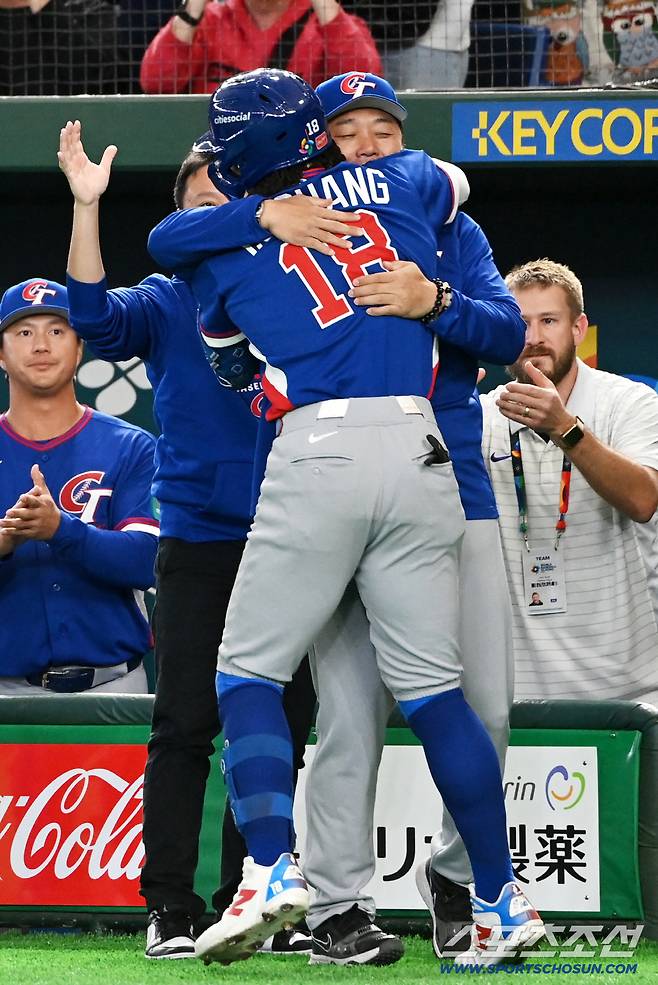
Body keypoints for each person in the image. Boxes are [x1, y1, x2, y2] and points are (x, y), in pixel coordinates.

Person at [149, 66, 543, 969]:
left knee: (246, 668)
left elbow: (222, 346)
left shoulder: (213, 246)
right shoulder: (409, 183)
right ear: (316, 132)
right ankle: (500, 902)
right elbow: (451, 182)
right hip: (421, 452)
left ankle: (273, 868)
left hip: (320, 448)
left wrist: (259, 224)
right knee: (437, 694)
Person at [58, 121, 359, 959]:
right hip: (200, 538)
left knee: (284, 719)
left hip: (300, 528)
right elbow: (89, 314)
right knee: (186, 721)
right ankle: (171, 905)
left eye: (225, 199)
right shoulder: (165, 295)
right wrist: (88, 208)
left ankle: (246, 898)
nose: (213, 213)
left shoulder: (299, 285)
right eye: (198, 204)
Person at [482, 258, 658, 704]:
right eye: (519, 323)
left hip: (627, 691)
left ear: (579, 329)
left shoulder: (629, 402)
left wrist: (566, 429)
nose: (534, 337)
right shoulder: (480, 415)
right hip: (512, 694)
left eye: (549, 321)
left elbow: (643, 499)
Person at [0, 278, 158, 694]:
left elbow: (149, 562)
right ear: (1, 354)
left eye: (56, 331)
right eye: (23, 332)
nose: (40, 346)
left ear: (80, 348)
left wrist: (60, 531)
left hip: (114, 687)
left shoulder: (131, 446)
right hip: (6, 693)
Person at [139, 0, 381, 94]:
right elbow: (156, 83)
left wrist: (326, 7)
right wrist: (192, 9)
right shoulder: (209, 19)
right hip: (214, 153)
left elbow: (362, 83)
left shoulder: (327, 21)